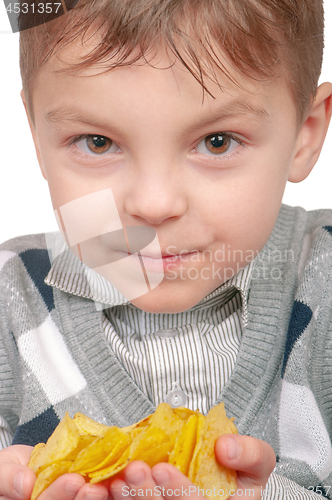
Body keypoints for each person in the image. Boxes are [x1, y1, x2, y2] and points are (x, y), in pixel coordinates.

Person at [0, 0, 332, 499]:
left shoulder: (322, 289)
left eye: (217, 142)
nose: (153, 205)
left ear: (304, 136)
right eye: (96, 142)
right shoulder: (10, 304)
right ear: (35, 134)